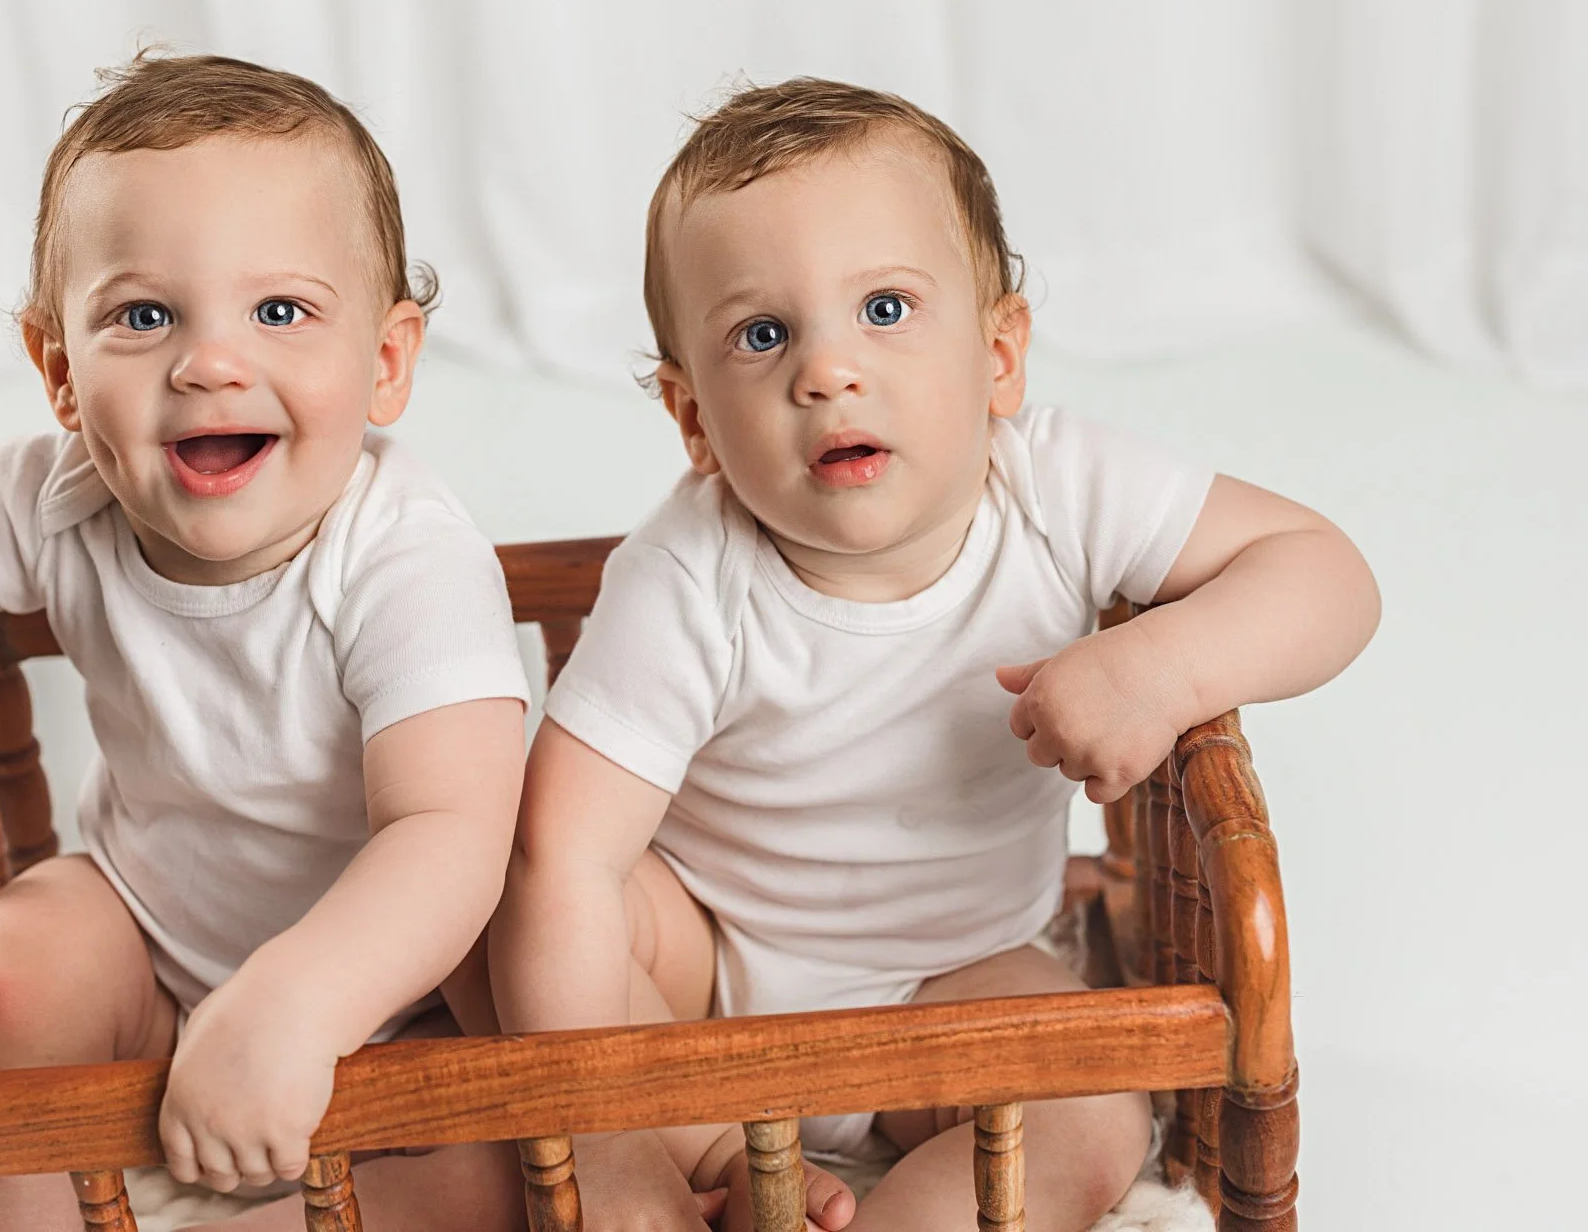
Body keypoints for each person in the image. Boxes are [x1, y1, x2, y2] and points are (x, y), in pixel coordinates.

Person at [486, 78, 1380, 1231]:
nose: (827, 370)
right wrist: (607, 1116)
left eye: (887, 308)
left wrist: (1165, 666)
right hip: (704, 963)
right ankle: (696, 1156)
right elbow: (562, 856)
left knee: (1094, 1104)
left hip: (952, 973)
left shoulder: (1058, 488)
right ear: (694, 419)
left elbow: (1322, 570)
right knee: (521, 908)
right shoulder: (682, 574)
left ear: (999, 352)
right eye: (762, 335)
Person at [0, 53, 530, 1231]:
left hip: (393, 998)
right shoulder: (57, 497)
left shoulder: (408, 558)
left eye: (280, 310)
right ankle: (21, 1207)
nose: (209, 361)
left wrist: (296, 1004)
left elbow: (449, 835)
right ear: (58, 370)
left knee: (507, 1154)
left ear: (385, 360)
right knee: (7, 965)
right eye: (143, 315)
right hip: (147, 941)